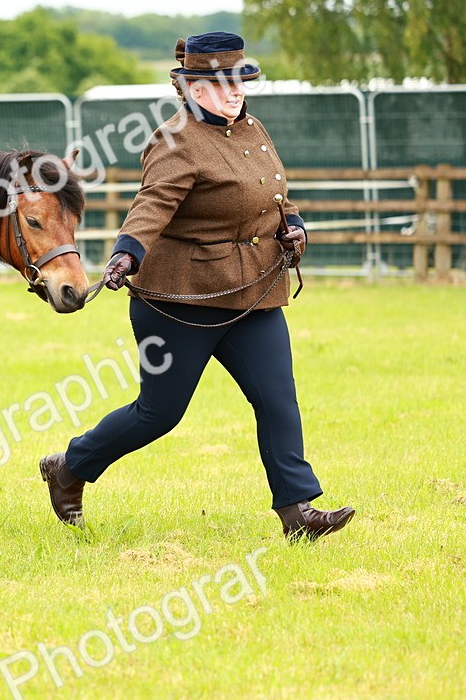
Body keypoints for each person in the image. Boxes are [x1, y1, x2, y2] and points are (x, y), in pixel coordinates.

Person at [39, 32, 354, 542]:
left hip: (251, 293)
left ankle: (298, 515)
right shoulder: (175, 140)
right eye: (224, 84)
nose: (235, 92)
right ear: (194, 89)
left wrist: (294, 226)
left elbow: (273, 196)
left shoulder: (252, 128)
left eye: (241, 81)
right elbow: (152, 205)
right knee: (158, 414)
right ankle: (70, 466)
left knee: (277, 400)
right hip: (180, 302)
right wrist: (126, 253)